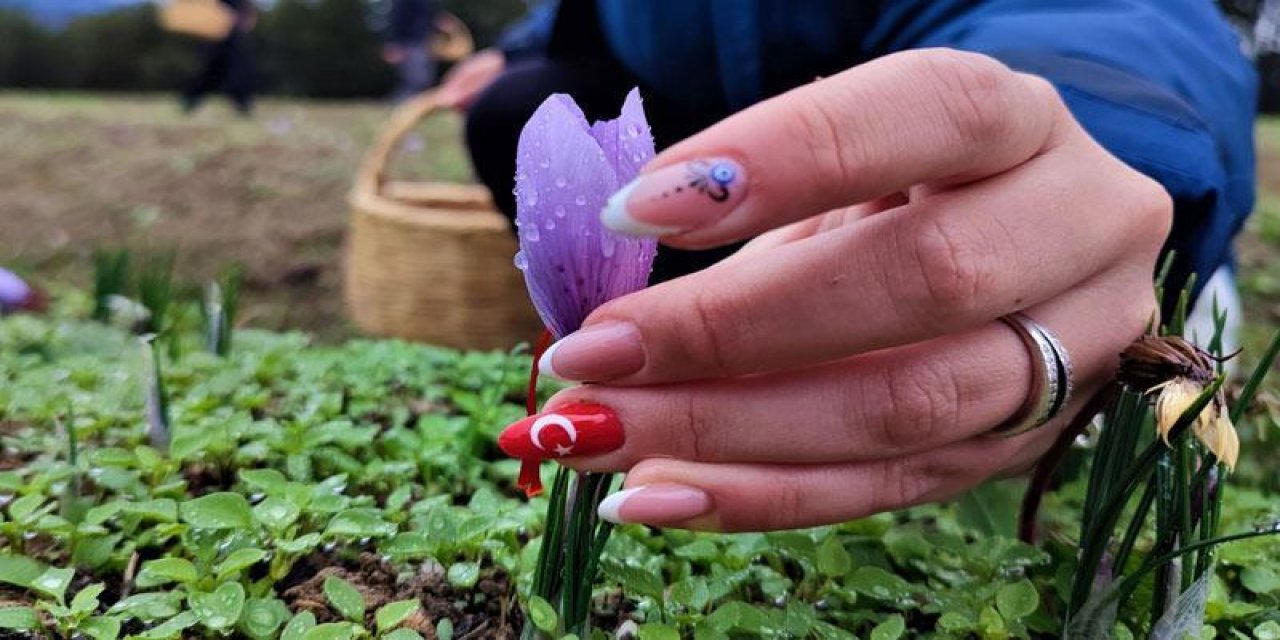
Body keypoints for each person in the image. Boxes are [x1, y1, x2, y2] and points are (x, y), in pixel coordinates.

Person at [445, 0, 1258, 532]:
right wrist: (529, 42)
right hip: (750, 161)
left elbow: (1121, 15)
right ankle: (692, 381)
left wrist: (1089, 121)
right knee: (517, 101)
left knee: (1043, 322)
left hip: (1014, 154)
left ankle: (1058, 287)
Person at [182, 0, 257, 116]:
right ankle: (192, 98)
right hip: (218, 32)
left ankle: (242, 102)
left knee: (235, 68)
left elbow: (244, 7)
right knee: (217, 69)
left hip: (230, 34)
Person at [384, 0, 441, 102]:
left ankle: (409, 103)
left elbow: (427, 17)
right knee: (417, 79)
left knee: (423, 78)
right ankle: (399, 102)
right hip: (409, 43)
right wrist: (394, 44)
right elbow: (397, 18)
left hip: (422, 42)